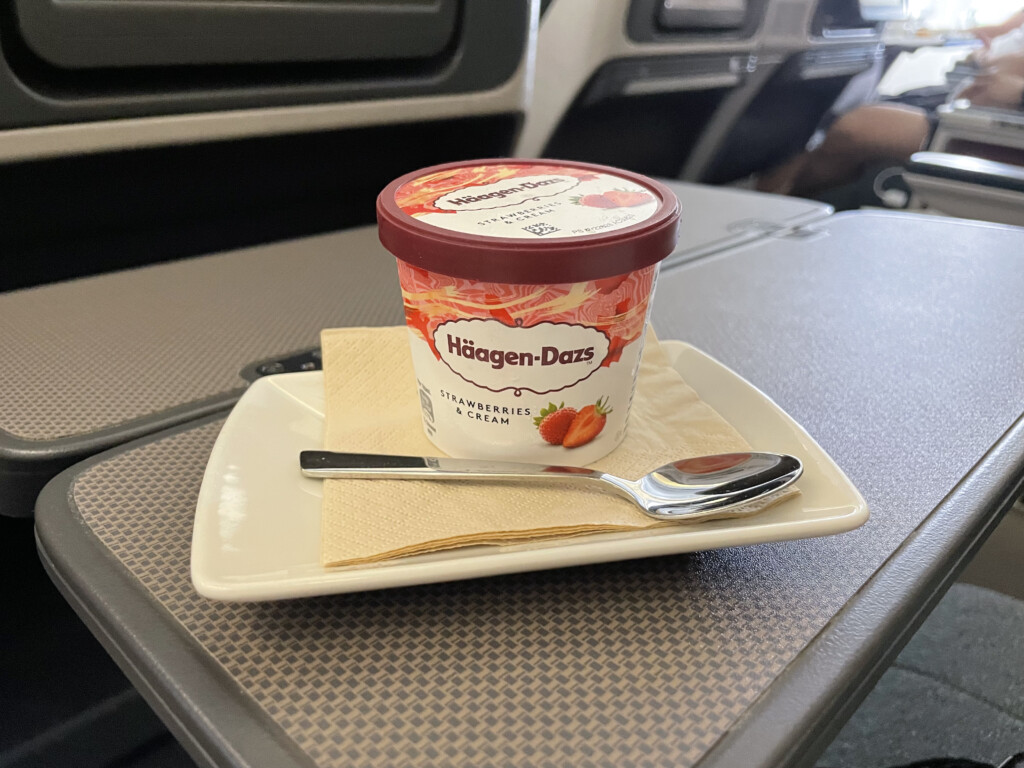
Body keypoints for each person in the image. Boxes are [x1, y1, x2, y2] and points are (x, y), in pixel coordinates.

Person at [756, 11, 1024, 197]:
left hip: (1003, 123)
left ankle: (773, 206)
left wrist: (1015, 86)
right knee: (840, 112)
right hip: (974, 95)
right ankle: (775, 202)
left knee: (855, 127)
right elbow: (1000, 32)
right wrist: (987, 54)